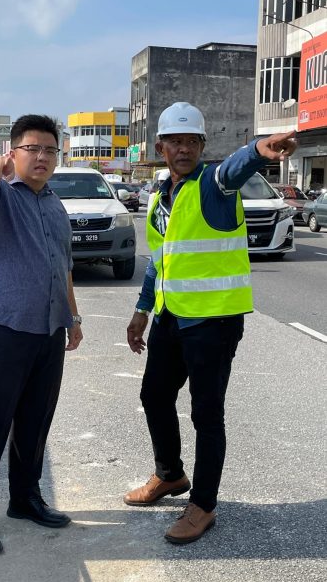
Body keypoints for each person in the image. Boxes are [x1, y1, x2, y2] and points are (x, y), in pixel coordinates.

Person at [124, 102, 297, 544]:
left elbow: (236, 168)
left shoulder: (214, 184)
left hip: (213, 322)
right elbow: (159, 261)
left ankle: (203, 505)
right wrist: (142, 311)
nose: (183, 149)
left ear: (203, 146)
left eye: (192, 141)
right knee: (154, 396)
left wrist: (259, 148)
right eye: (175, 141)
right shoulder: (162, 195)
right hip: (170, 318)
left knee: (206, 413)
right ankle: (170, 476)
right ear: (160, 146)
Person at [0, 114, 83, 556]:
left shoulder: (54, 204)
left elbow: (61, 264)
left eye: (51, 150)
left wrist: (73, 317)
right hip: (2, 329)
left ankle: (25, 498)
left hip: (48, 330)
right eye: (34, 149)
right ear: (14, 152)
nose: (43, 157)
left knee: (35, 421)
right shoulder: (0, 196)